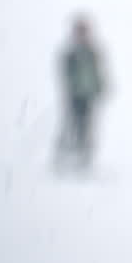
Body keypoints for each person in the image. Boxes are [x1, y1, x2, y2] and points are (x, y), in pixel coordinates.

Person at [57, 15, 107, 170]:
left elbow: (98, 72)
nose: (82, 35)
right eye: (80, 32)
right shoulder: (71, 53)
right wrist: (71, 87)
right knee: (73, 124)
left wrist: (100, 87)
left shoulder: (92, 52)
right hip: (75, 95)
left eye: (84, 32)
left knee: (86, 125)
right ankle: (64, 154)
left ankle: (84, 157)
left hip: (89, 95)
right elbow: (66, 73)